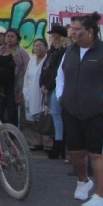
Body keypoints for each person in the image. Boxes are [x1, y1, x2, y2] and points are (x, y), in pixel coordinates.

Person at [56, 13, 103, 206]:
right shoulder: (70, 52)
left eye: (76, 30)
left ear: (89, 32)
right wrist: (62, 96)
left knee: (97, 154)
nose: (72, 33)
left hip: (100, 111)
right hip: (72, 109)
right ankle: (83, 181)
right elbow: (60, 77)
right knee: (75, 154)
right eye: (71, 29)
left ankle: (101, 196)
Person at [40, 24, 70, 159]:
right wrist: (42, 83)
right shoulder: (53, 51)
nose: (51, 37)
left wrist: (48, 85)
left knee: (57, 115)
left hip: (57, 87)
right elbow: (45, 69)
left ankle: (59, 144)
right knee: (54, 115)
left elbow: (58, 71)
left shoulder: (63, 51)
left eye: (53, 35)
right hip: (50, 86)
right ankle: (58, 143)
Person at [0, 28, 30, 126]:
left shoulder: (21, 53)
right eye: (8, 36)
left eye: (12, 36)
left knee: (12, 111)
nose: (9, 38)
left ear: (17, 39)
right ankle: (1, 134)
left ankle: (14, 136)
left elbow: (27, 69)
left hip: (13, 87)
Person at [23, 38, 48, 150]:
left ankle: (47, 141)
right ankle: (39, 141)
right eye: (36, 45)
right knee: (35, 118)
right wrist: (25, 91)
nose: (38, 48)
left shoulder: (48, 60)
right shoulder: (32, 60)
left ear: (46, 47)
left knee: (45, 117)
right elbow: (26, 77)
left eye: (40, 45)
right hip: (32, 92)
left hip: (43, 92)